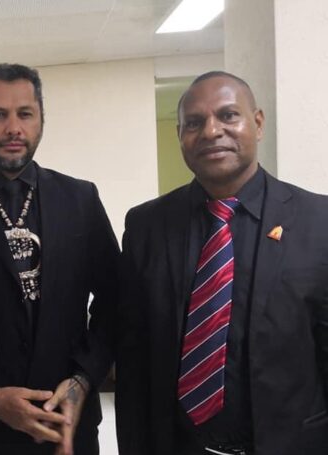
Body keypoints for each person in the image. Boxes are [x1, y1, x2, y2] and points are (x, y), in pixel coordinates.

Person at [116, 71, 328, 455]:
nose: (211, 131)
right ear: (180, 136)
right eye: (194, 123)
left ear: (258, 123)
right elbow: (133, 357)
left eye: (228, 115)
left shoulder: (319, 221)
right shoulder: (147, 226)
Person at [0, 63, 119, 455]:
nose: (13, 129)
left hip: (69, 424)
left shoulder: (80, 200)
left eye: (25, 113)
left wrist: (82, 381)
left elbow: (115, 301)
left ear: (41, 119)